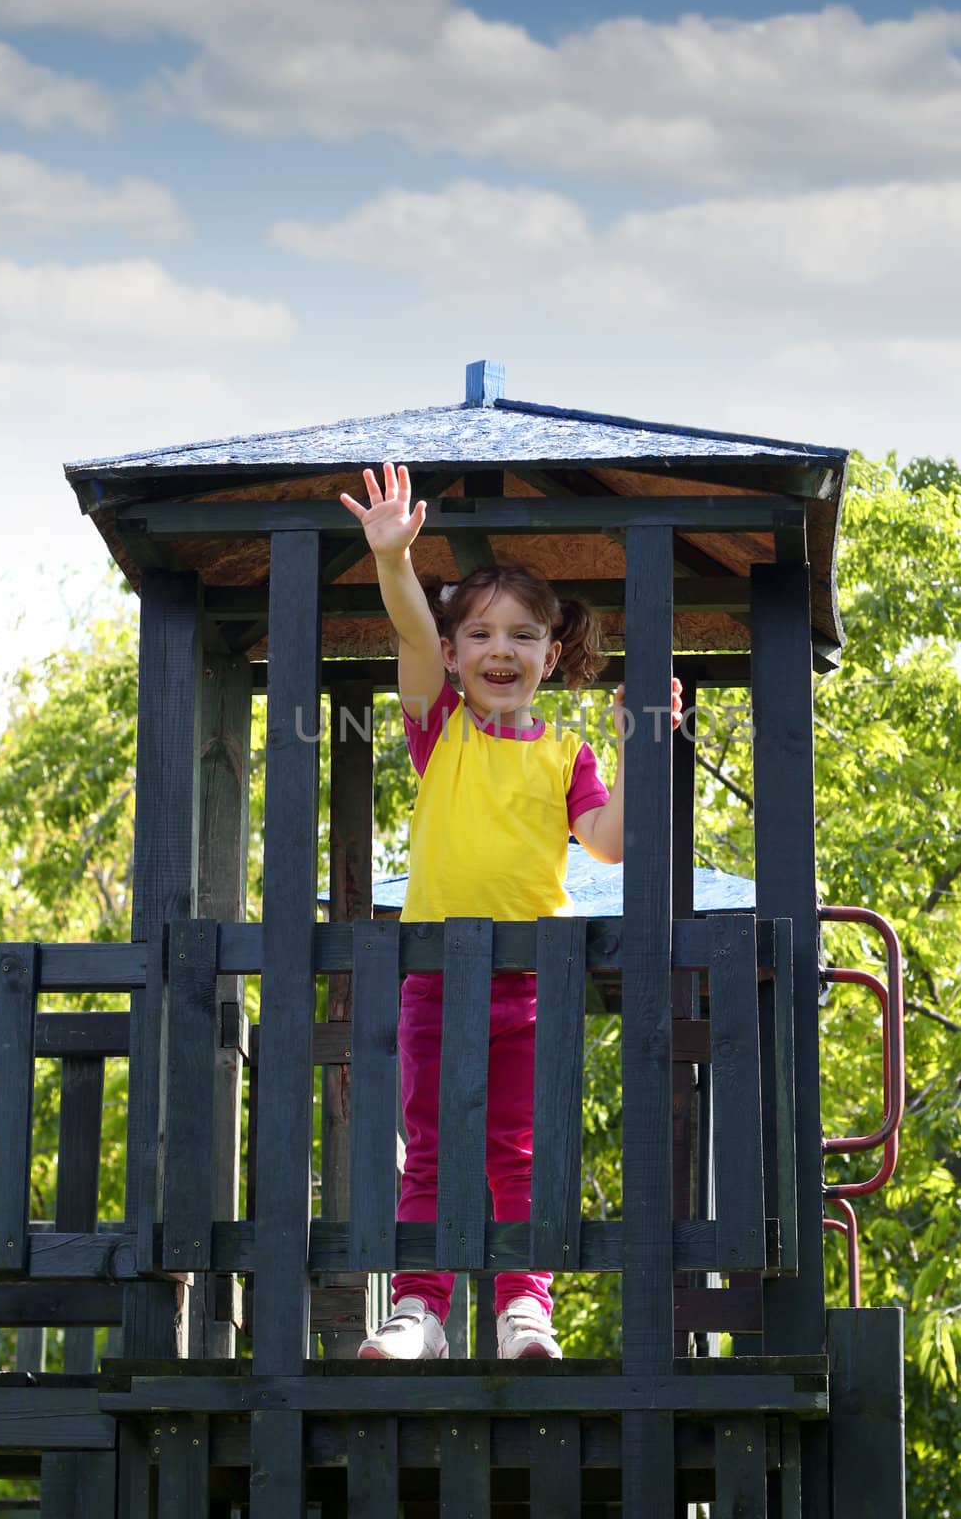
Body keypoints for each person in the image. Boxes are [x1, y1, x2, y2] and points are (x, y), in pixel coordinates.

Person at [341, 462, 682, 1361]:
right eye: (481, 633)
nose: (501, 648)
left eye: (523, 635)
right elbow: (413, 630)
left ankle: (523, 1307)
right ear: (455, 657)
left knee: (517, 1156)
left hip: (531, 987)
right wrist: (393, 560)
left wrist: (645, 741)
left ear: (549, 656)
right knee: (433, 1154)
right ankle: (419, 1310)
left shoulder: (563, 754)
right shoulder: (440, 725)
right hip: (434, 981)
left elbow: (610, 842)